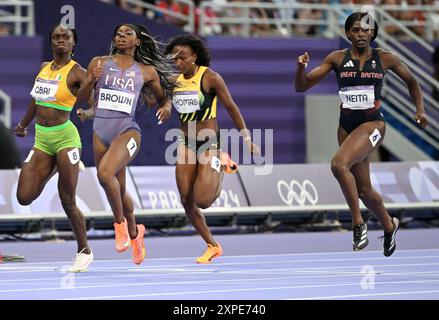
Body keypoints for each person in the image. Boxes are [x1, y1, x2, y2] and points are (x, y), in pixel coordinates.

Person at [294, 12, 428, 257]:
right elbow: (301, 86)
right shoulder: (336, 58)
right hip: (346, 126)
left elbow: (412, 82)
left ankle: (358, 223)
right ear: (348, 33)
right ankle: (389, 225)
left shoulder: (386, 59)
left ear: (373, 33)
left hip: (373, 124)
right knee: (365, 191)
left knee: (338, 165)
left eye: (366, 30)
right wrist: (300, 68)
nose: (361, 34)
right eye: (356, 30)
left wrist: (420, 110)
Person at [76, 24, 176, 265]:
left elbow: (164, 98)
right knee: (117, 190)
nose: (121, 36)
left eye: (127, 33)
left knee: (104, 173)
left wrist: (166, 106)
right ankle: (135, 233)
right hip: (100, 134)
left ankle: (119, 226)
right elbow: (79, 98)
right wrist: (90, 80)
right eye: (118, 33)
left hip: (127, 132)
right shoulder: (98, 63)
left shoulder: (147, 71)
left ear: (138, 42)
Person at [164, 34, 260, 264]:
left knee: (203, 201)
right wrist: (165, 105)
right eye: (174, 58)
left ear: (194, 57)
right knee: (186, 199)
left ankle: (222, 161)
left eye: (182, 58)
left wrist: (246, 138)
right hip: (185, 142)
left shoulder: (210, 78)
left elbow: (231, 106)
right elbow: (164, 100)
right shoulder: (174, 80)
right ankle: (213, 245)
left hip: (209, 142)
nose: (178, 62)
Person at [14, 25, 93, 272]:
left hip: (65, 138)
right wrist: (23, 124)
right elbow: (35, 100)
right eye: (56, 37)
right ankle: (58, 167)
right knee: (24, 196)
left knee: (67, 200)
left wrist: (85, 112)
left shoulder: (78, 72)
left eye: (65, 37)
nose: (60, 40)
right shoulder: (43, 68)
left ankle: (84, 251)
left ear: (73, 43)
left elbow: (94, 105)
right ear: (51, 42)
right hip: (42, 139)